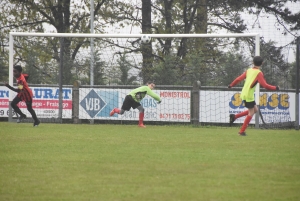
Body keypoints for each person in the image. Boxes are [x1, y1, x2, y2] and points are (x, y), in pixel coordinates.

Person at [228, 56, 279, 136]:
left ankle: (235, 117)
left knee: (255, 110)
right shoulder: (259, 73)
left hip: (245, 93)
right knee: (251, 112)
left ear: (253, 62)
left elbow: (239, 79)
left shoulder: (248, 70)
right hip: (248, 95)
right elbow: (265, 85)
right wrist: (275, 88)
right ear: (262, 63)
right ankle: (241, 131)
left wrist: (231, 85)